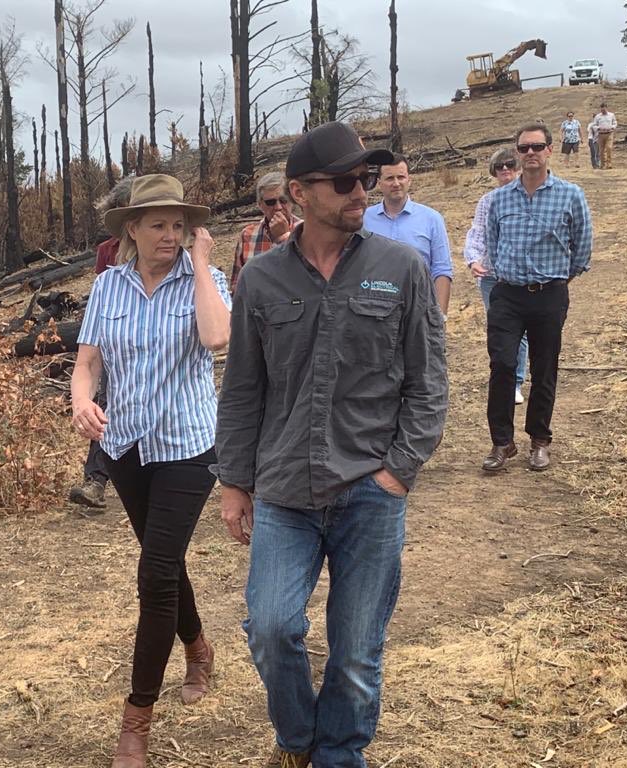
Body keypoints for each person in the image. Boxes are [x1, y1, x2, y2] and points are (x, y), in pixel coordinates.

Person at [215, 121, 448, 768]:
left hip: (369, 490)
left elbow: (429, 381)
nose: (361, 191)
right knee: (271, 628)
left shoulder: (400, 268)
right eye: (345, 182)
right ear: (299, 192)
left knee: (355, 653)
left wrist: (398, 471)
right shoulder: (260, 280)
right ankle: (297, 741)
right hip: (284, 488)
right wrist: (234, 481)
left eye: (366, 178)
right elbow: (242, 389)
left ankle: (338, 755)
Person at [70, 173, 232, 768]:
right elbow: (88, 363)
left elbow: (217, 338)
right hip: (127, 446)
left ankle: (135, 722)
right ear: (132, 230)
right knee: (165, 563)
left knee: (155, 572)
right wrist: (80, 400)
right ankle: (198, 646)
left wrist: (203, 262)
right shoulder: (108, 286)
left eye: (179, 225)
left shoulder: (206, 280)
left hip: (188, 447)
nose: (171, 234)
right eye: (158, 224)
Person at [482, 123, 593, 472]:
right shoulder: (499, 199)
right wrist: (507, 272)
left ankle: (539, 440)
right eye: (524, 148)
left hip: (549, 294)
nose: (530, 153)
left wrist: (559, 278)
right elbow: (492, 243)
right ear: (518, 153)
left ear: (549, 150)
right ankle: (502, 442)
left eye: (536, 146)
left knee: (544, 368)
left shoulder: (571, 195)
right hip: (508, 295)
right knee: (502, 364)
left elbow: (582, 246)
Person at [68, 177, 135, 509]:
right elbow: (100, 300)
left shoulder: (168, 246)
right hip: (115, 343)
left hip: (156, 343)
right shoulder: (107, 251)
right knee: (106, 404)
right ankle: (95, 481)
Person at [463, 148, 528, 405]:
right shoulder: (487, 201)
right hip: (491, 276)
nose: (505, 170)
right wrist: (473, 260)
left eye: (510, 165)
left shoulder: (530, 197)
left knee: (520, 331)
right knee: (500, 329)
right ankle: (502, 379)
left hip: (521, 275)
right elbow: (477, 233)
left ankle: (516, 382)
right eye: (499, 167)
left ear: (518, 167)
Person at [363, 154, 454, 316]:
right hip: (374, 308)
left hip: (419, 308)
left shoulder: (432, 219)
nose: (396, 183)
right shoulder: (364, 219)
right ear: (379, 183)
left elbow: (442, 270)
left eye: (401, 177)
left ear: (409, 180)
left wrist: (440, 317)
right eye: (389, 178)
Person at [231, 171, 302, 288]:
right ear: (260, 205)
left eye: (283, 200)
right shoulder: (248, 235)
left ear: (292, 201)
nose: (278, 207)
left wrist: (284, 237)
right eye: (271, 202)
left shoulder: (305, 231)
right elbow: (237, 285)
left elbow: (307, 277)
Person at [591, 102, 617, 169]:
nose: (603, 110)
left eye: (604, 109)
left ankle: (609, 164)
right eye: (601, 109)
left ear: (606, 108)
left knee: (609, 148)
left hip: (609, 134)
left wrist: (612, 127)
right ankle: (603, 164)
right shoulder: (597, 116)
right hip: (601, 134)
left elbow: (614, 122)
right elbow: (594, 125)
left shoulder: (611, 115)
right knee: (601, 150)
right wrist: (599, 128)